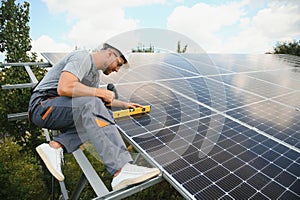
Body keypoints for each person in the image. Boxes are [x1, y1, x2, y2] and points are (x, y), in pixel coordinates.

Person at [28, 43, 160, 191]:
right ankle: (121, 169)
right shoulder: (82, 57)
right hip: (43, 105)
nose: (117, 69)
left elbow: (97, 102)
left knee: (98, 117)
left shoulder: (94, 75)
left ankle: (56, 146)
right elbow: (64, 87)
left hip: (60, 109)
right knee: (94, 104)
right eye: (118, 64)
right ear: (110, 53)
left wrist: (124, 104)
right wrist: (100, 93)